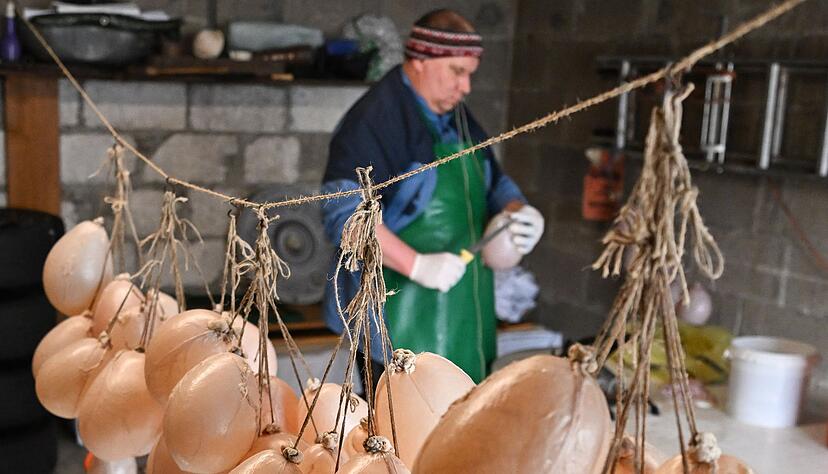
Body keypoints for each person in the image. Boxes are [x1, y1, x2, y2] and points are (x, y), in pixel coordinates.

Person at [320, 9, 544, 384]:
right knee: (397, 414)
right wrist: (417, 265)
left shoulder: (457, 116)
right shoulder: (374, 120)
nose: (466, 86)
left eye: (470, 74)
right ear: (421, 59)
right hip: (395, 310)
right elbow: (343, 216)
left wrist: (519, 211)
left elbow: (493, 181)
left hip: (464, 307)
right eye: (457, 71)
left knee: (464, 410)